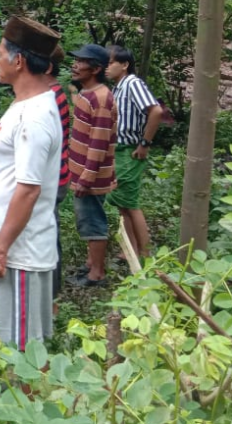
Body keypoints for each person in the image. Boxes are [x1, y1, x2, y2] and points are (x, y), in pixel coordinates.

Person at [0, 16, 63, 351]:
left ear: (18, 60)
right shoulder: (25, 106)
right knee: (8, 346)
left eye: (0, 53)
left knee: (21, 354)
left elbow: (28, 189)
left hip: (19, 255)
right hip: (11, 255)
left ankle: (28, 403)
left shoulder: (35, 116)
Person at [67, 44, 117, 287]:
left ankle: (97, 273)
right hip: (84, 174)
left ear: (96, 69)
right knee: (86, 218)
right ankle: (90, 263)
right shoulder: (88, 93)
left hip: (92, 177)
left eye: (81, 62)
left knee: (92, 221)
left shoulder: (101, 98)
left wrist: (86, 178)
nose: (75, 65)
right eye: (75, 60)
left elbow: (98, 142)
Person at [105, 45, 162, 260]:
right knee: (122, 203)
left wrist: (145, 143)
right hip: (118, 150)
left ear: (125, 64)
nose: (106, 68)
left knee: (130, 203)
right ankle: (131, 250)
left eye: (111, 63)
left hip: (130, 151)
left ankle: (145, 254)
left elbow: (155, 110)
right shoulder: (118, 87)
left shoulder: (132, 84)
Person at [44, 45, 71, 304]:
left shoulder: (51, 97)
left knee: (49, 236)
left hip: (52, 180)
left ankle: (51, 295)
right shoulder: (52, 94)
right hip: (57, 176)